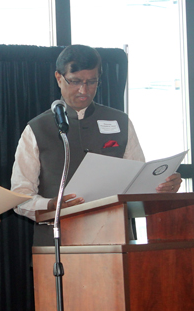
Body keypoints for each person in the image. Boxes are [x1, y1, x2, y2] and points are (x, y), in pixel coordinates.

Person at [11, 44, 182, 246]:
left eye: (92, 82)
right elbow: (19, 197)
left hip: (116, 239)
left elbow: (138, 182)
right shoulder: (36, 128)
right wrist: (51, 204)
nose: (84, 90)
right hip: (58, 244)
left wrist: (163, 186)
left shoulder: (120, 121)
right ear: (59, 78)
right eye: (75, 81)